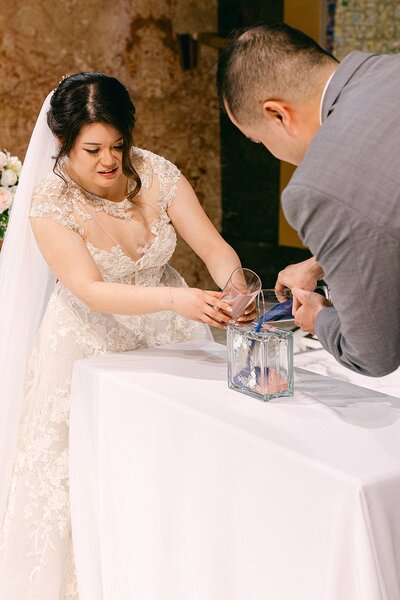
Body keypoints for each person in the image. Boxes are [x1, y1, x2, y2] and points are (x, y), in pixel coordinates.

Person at [0, 72, 253, 598]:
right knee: (92, 483)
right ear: (64, 145)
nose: (109, 161)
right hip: (87, 348)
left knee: (172, 469)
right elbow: (91, 290)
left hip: (169, 340)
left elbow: (212, 247)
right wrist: (178, 300)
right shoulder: (49, 204)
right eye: (91, 149)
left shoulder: (157, 174)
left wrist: (237, 288)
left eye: (118, 145)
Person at [217, 22, 400, 377]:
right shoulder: (386, 68)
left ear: (278, 115)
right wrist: (322, 262)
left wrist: (319, 317)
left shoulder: (318, 186)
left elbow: (373, 353)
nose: (271, 152)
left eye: (260, 140)